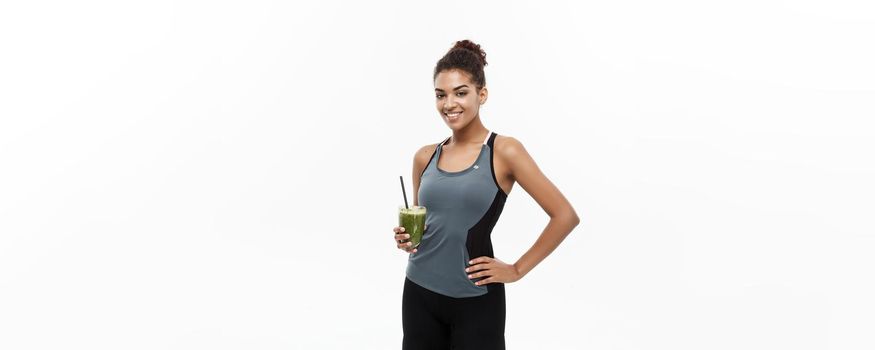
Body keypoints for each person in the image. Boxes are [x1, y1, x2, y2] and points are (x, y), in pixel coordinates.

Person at [392, 39, 580, 349]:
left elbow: (565, 216)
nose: (449, 104)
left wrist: (517, 269)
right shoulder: (424, 157)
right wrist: (407, 239)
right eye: (441, 95)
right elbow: (425, 229)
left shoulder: (504, 151)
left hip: (476, 300)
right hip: (418, 293)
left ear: (482, 94)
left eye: (460, 93)